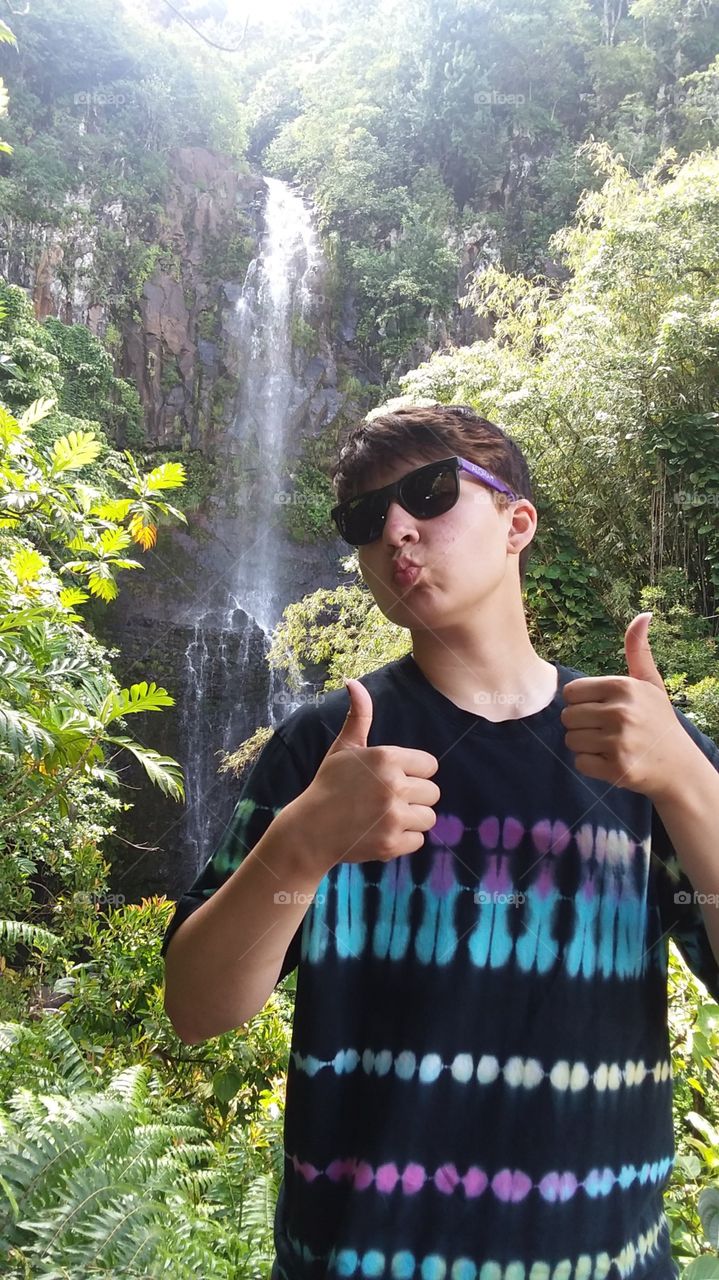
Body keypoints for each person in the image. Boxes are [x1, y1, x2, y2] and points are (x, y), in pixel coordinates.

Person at [162, 402, 719, 1280]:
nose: (395, 530)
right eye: (363, 520)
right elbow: (197, 1009)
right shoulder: (329, 750)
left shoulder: (637, 743)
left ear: (517, 523)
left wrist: (689, 781)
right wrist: (299, 848)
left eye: (429, 491)